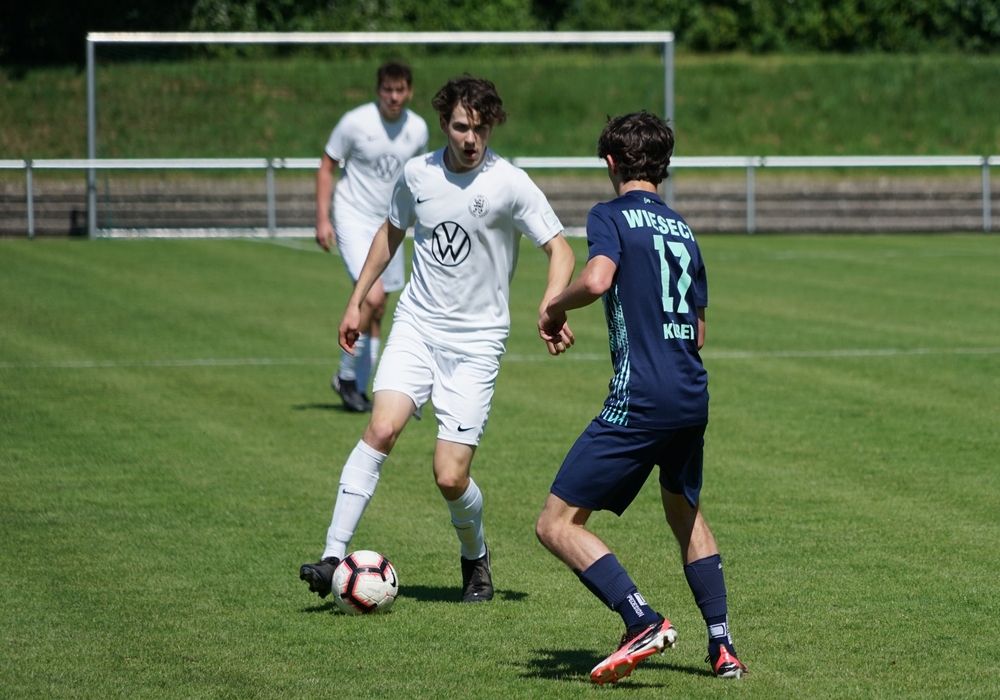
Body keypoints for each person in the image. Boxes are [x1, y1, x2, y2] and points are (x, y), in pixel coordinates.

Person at [300, 76, 576, 604]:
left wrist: (550, 302)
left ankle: (475, 556)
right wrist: (357, 300)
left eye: (481, 128)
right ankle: (333, 555)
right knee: (381, 428)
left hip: (477, 343)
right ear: (445, 123)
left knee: (449, 477)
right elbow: (390, 232)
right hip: (418, 326)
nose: (472, 138)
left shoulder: (510, 183)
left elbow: (560, 249)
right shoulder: (417, 173)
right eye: (461, 127)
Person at [535, 111, 748, 683]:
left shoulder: (609, 215)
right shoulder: (683, 229)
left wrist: (554, 307)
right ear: (664, 167)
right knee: (684, 510)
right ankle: (723, 647)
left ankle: (640, 619)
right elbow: (698, 331)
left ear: (610, 162)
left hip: (641, 397)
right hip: (691, 394)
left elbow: (597, 279)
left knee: (555, 524)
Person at [316, 61, 429, 412]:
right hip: (352, 216)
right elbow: (327, 166)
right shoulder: (355, 122)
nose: (393, 97)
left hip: (391, 224)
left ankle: (361, 390)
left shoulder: (418, 129)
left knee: (379, 309)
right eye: (387, 90)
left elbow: (420, 177)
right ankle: (345, 376)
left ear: (409, 91)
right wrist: (322, 219)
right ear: (378, 90)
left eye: (400, 90)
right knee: (372, 295)